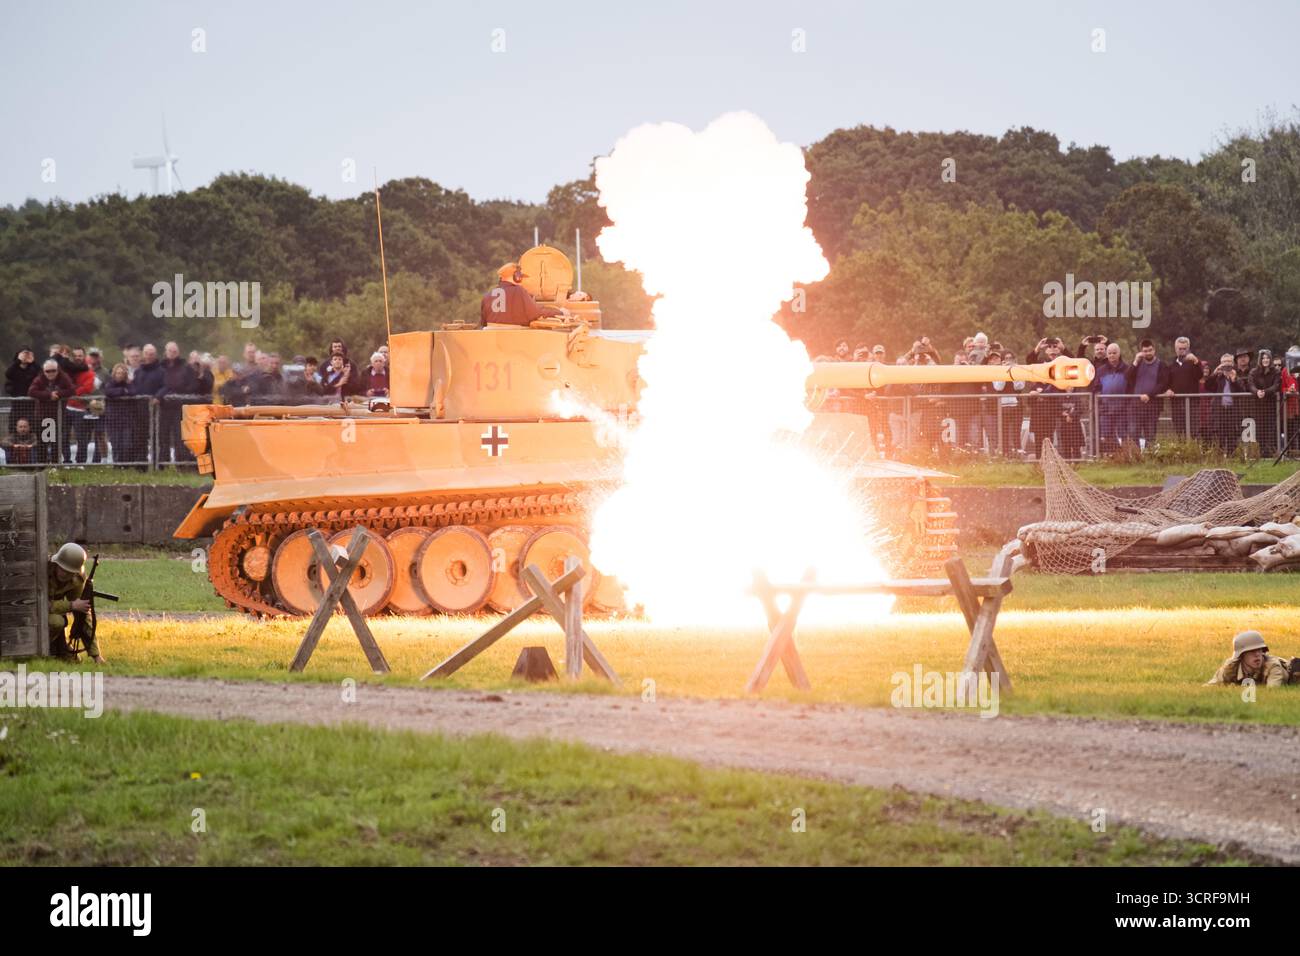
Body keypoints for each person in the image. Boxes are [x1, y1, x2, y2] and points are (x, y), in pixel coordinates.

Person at [47, 542, 106, 664]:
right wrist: (71, 606)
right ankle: (43, 651)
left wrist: (96, 655)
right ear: (56, 563)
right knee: (56, 621)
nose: (64, 574)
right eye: (62, 569)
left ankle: (59, 649)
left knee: (75, 662)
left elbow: (83, 614)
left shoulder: (76, 580)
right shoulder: (43, 570)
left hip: (53, 611)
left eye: (69, 571)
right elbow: (39, 606)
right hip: (29, 615)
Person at [480, 263, 567, 327]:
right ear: (517, 277)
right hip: (515, 339)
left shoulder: (487, 296)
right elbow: (536, 313)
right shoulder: (519, 291)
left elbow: (483, 323)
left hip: (492, 339)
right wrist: (560, 312)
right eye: (521, 277)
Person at [1206, 630, 1296, 687]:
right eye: (1252, 651)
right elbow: (1210, 687)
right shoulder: (1231, 667)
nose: (1257, 654)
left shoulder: (1273, 666)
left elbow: (1271, 692)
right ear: (1241, 655)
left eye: (1259, 650)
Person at [28, 359, 75, 463]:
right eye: (47, 371)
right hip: (43, 416)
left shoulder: (63, 377)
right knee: (43, 442)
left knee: (56, 442)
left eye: (53, 370)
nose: (50, 373)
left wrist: (58, 394)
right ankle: (42, 466)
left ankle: (55, 465)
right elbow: (31, 391)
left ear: (57, 370)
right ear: (44, 371)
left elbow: (71, 390)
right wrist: (49, 395)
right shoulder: (39, 379)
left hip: (57, 416)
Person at [1124, 339, 1168, 450]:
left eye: (1150, 350)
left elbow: (1163, 384)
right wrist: (1135, 362)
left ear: (1154, 350)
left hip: (1152, 406)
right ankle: (1136, 457)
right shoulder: (1137, 364)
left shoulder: (1161, 365)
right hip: (1135, 406)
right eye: (1145, 351)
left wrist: (1149, 395)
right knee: (1133, 433)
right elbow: (1127, 377)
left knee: (1150, 434)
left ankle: (1150, 457)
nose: (1148, 353)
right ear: (1141, 351)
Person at [1092, 343, 1131, 454]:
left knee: (1123, 434)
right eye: (1110, 353)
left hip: (1122, 409)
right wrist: (1100, 397)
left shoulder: (1127, 369)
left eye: (1114, 353)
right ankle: (1112, 456)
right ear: (1107, 355)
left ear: (1119, 354)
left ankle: (1125, 456)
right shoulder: (1101, 370)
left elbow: (1131, 387)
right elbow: (1096, 387)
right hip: (1106, 409)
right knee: (1106, 434)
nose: (1112, 355)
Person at [1207, 353, 1248, 454]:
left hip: (1232, 411)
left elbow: (1242, 391)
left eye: (1229, 362)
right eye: (1224, 362)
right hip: (1219, 410)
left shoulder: (1236, 377)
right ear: (1221, 364)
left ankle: (1232, 457)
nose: (1227, 364)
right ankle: (1220, 458)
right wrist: (1214, 373)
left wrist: (1234, 380)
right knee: (1220, 434)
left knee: (1232, 435)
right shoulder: (1217, 377)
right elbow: (1208, 386)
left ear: (1233, 363)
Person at [1163, 337, 1202, 440]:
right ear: (1176, 349)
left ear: (1188, 348)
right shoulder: (1171, 366)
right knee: (1179, 431)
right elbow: (1166, 383)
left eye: (1184, 348)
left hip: (1192, 403)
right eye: (1180, 348)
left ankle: (1193, 453)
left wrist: (1196, 361)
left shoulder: (1194, 363)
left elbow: (1200, 375)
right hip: (1176, 403)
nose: (1182, 351)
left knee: (1194, 432)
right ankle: (1183, 454)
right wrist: (1167, 390)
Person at [991, 350, 1025, 457]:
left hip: (1016, 406)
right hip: (1002, 407)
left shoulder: (1019, 370)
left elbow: (1019, 386)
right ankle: (1005, 454)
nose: (1008, 360)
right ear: (1002, 361)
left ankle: (1017, 453)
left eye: (1010, 358)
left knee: (1016, 431)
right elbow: (998, 387)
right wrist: (1005, 372)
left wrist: (1013, 372)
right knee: (1004, 432)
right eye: (1006, 358)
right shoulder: (996, 371)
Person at [1248, 348, 1282, 457]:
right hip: (1258, 407)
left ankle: (1272, 454)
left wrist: (1265, 392)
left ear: (1270, 359)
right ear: (1260, 360)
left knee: (1271, 430)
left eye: (1267, 358)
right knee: (1260, 431)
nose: (1265, 360)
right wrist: (1256, 392)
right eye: (1263, 358)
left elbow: (1276, 385)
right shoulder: (1254, 372)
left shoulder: (1276, 372)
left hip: (1271, 406)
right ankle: (1262, 454)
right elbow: (1250, 385)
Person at [103, 363, 138, 464]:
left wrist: (123, 391)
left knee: (126, 444)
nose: (120, 375)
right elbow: (109, 392)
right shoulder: (110, 383)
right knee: (116, 444)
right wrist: (123, 391)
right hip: (113, 420)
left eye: (122, 373)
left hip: (126, 420)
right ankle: (117, 464)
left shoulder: (129, 384)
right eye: (118, 373)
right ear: (114, 373)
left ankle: (125, 464)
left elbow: (133, 392)